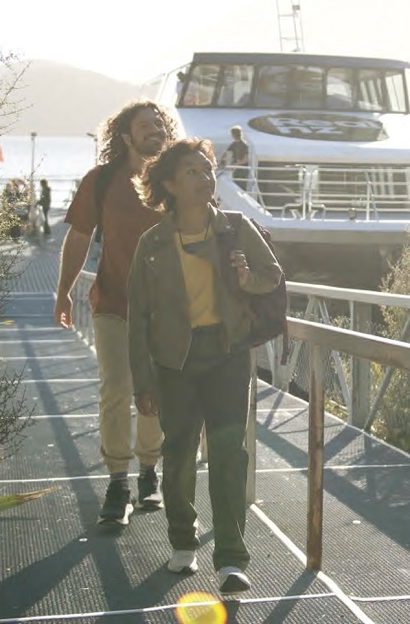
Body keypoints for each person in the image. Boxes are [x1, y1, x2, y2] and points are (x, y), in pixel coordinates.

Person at [128, 138, 282, 595]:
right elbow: (136, 317)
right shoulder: (152, 242)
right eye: (191, 172)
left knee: (230, 455)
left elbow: (272, 276)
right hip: (174, 361)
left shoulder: (235, 228)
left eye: (207, 169)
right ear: (170, 185)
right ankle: (182, 541)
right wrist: (142, 381)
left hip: (228, 354)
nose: (203, 178)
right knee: (177, 455)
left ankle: (232, 559)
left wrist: (244, 278)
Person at [55, 101, 175, 525]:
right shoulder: (102, 180)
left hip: (164, 312)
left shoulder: (174, 180)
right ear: (126, 136)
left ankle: (148, 472)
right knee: (116, 388)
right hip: (111, 303)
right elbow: (79, 238)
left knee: (154, 391)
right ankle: (118, 481)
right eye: (145, 127)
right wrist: (63, 292)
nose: (154, 131)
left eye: (159, 125)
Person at [220, 125, 250, 190]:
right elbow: (227, 151)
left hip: (243, 170)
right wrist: (222, 159)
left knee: (241, 187)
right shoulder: (234, 144)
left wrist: (235, 164)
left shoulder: (244, 145)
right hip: (236, 169)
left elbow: (245, 159)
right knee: (235, 185)